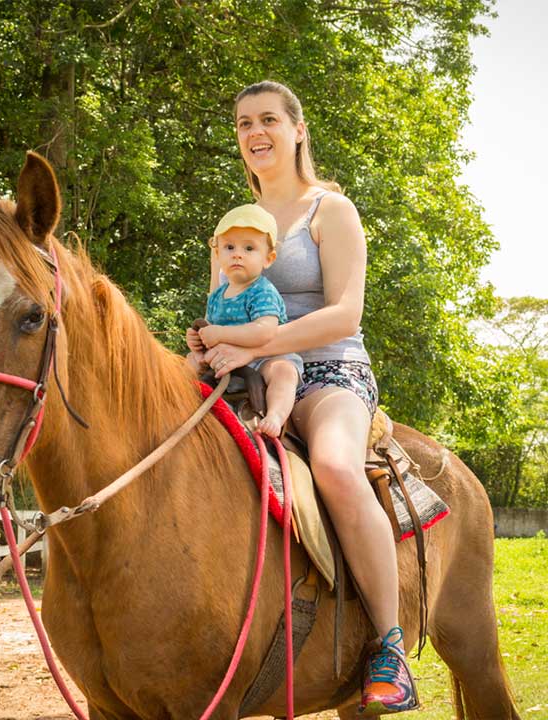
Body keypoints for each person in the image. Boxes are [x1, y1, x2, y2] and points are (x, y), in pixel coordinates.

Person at [202, 80, 418, 715]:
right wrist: (208, 343)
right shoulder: (234, 227)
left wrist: (256, 344)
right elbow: (222, 307)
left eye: (268, 119)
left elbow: (346, 313)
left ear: (298, 130)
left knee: (333, 466)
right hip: (245, 374)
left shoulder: (331, 211)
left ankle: (389, 645)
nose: (255, 132)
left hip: (330, 372)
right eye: (243, 123)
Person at [186, 204, 304, 437]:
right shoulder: (218, 294)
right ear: (218, 254)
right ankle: (179, 403)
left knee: (283, 371)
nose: (237, 254)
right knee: (187, 362)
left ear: (268, 259)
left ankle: (276, 415)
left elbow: (265, 331)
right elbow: (210, 328)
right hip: (223, 358)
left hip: (264, 356)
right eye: (229, 247)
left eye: (249, 248)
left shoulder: (262, 291)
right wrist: (198, 340)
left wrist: (220, 334)